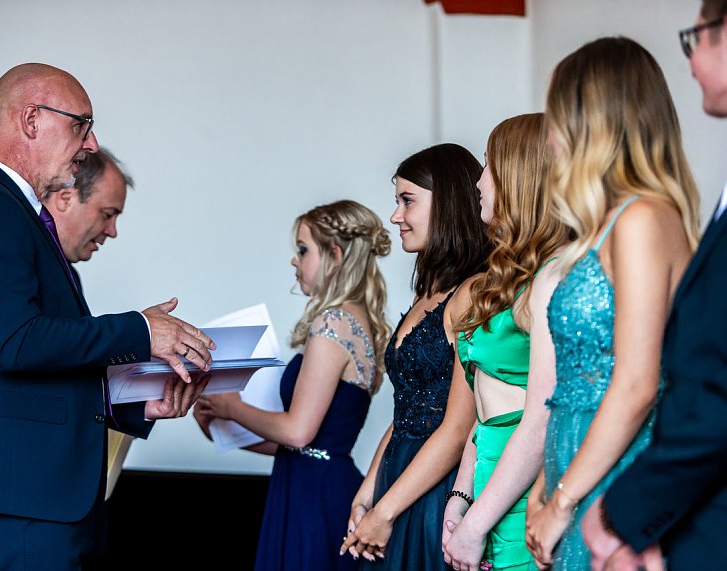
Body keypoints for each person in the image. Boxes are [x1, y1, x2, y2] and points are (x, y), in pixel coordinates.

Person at [0, 63, 215, 570]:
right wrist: (141, 330)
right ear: (31, 120)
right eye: (81, 124)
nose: (91, 143)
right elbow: (17, 343)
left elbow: (32, 368)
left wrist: (135, 405)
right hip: (15, 502)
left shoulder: (12, 214)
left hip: (20, 498)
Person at [522, 37, 700, 571]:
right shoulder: (604, 228)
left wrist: (564, 500)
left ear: (592, 122)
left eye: (557, 119)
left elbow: (637, 382)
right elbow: (572, 384)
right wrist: (543, 487)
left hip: (615, 474)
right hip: (572, 464)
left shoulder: (644, 219)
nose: (550, 140)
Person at [580, 5, 727, 570]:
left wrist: (619, 511)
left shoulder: (642, 220)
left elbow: (713, 389)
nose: (690, 61)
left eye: (699, 38)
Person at [194, 200, 392, 571]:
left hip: (314, 499)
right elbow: (305, 447)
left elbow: (299, 433)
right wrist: (224, 427)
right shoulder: (355, 318)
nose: (293, 260)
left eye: (303, 250)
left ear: (335, 254)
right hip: (315, 484)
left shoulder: (333, 323)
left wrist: (230, 407)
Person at [339, 143, 490, 570]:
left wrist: (386, 510)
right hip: (398, 475)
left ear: (448, 206)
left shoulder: (472, 294)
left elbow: (459, 426)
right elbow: (407, 407)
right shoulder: (428, 292)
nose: (395, 216)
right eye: (397, 201)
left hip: (437, 484)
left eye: (408, 201)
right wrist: (369, 489)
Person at [439, 113, 567, 571]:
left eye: (490, 165)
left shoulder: (552, 277)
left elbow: (539, 419)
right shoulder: (504, 277)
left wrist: (477, 524)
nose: (479, 180)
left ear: (520, 177)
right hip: (488, 479)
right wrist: (461, 494)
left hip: (523, 489)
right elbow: (485, 407)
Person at [42, 147, 145, 501]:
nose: (113, 231)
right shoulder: (28, 266)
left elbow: (65, 374)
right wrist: (143, 330)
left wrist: (143, 403)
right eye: (107, 214)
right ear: (66, 197)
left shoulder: (66, 274)